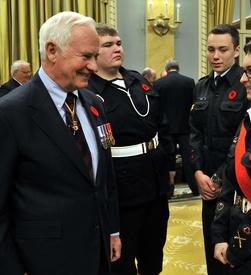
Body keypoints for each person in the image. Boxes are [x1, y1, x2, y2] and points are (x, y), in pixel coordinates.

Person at [0, 11, 121, 275]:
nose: (93, 66)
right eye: (86, 57)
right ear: (52, 50)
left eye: (95, 56)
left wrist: (112, 230)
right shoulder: (10, 112)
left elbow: (104, 179)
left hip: (98, 254)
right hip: (43, 261)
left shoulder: (94, 103)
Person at [87, 23, 175, 275]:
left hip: (156, 181)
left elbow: (162, 124)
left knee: (153, 251)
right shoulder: (89, 91)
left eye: (118, 43)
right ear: (93, 52)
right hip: (121, 187)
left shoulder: (136, 79)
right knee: (122, 259)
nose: (117, 49)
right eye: (108, 45)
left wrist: (169, 164)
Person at [189, 24, 251, 275]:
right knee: (211, 244)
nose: (215, 56)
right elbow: (194, 134)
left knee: (236, 248)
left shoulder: (247, 84)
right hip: (207, 183)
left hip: (236, 181)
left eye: (223, 50)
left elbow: (244, 138)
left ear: (236, 51)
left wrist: (218, 177)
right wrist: (197, 173)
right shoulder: (202, 85)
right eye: (210, 49)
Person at [212, 37, 251, 275]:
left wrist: (236, 249)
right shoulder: (249, 118)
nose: (242, 79)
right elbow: (230, 180)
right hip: (234, 231)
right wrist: (219, 234)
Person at [154, 58, 199, 197]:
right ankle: (195, 188)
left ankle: (168, 191)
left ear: (166, 70)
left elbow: (156, 106)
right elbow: (194, 103)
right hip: (186, 127)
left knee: (168, 159)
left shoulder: (158, 84)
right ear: (178, 69)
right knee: (188, 159)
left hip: (166, 128)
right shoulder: (189, 81)